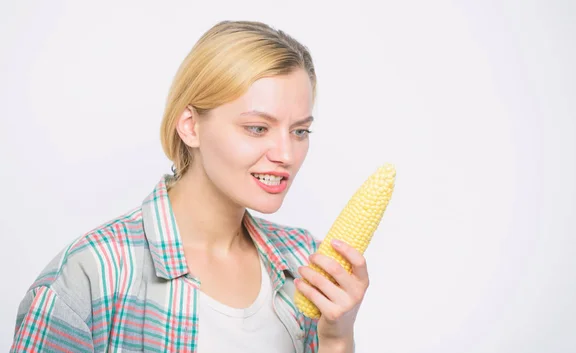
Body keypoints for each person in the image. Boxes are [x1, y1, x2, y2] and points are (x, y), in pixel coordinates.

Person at [10, 20, 370, 353]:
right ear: (190, 126)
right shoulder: (93, 274)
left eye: (300, 131)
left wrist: (337, 337)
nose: (286, 154)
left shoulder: (304, 261)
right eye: (258, 128)